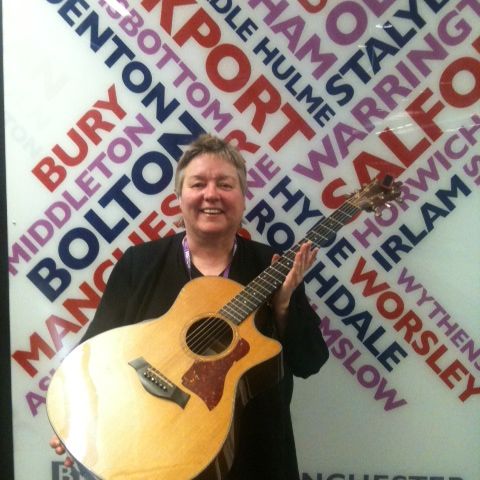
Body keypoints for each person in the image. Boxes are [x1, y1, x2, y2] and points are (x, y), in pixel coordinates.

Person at [50, 133, 329, 479]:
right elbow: (93, 355)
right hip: (150, 454)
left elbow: (310, 362)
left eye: (225, 184)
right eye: (198, 184)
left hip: (258, 459)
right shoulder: (139, 264)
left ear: (243, 199)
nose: (211, 194)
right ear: (179, 198)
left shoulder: (273, 268)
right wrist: (77, 420)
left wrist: (284, 307)